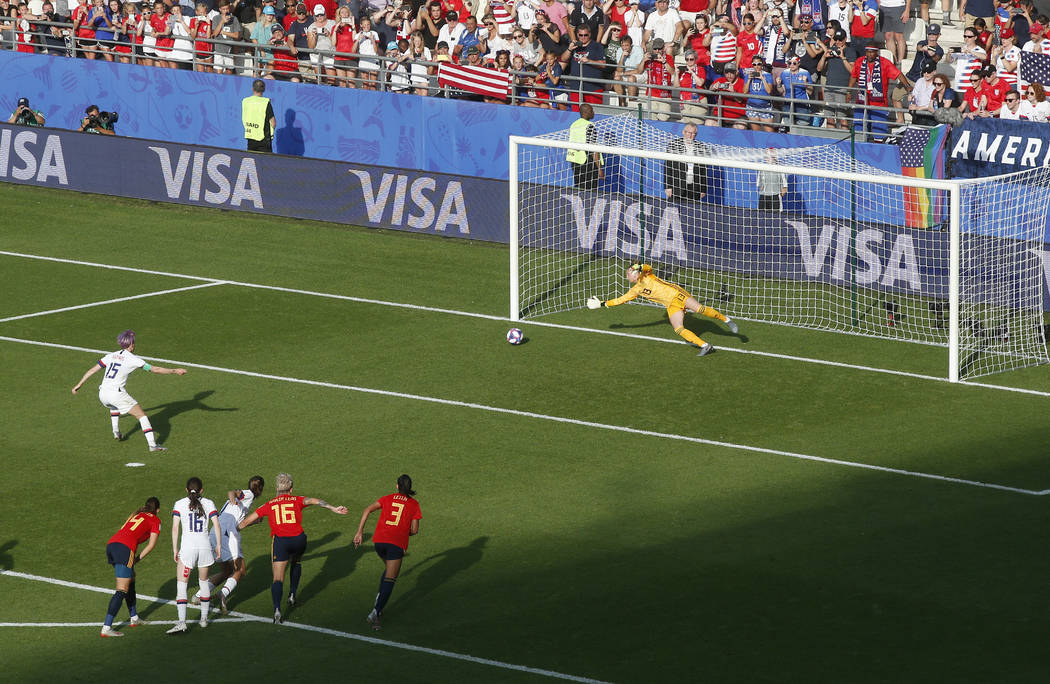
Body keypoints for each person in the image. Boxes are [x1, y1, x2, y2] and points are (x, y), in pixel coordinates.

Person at [237, 472, 348, 624]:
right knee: (296, 562)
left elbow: (244, 522)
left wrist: (233, 529)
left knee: (277, 578)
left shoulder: (269, 505)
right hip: (299, 540)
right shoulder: (297, 499)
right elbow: (316, 501)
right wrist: (333, 508)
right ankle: (292, 595)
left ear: (277, 488)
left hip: (281, 542)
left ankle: (277, 610)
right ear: (291, 489)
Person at [72, 329, 187, 452]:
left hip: (102, 394)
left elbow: (92, 370)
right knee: (142, 416)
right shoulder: (133, 359)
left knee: (114, 406)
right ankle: (153, 445)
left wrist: (79, 385)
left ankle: (116, 432)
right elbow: (155, 369)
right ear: (131, 344)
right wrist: (175, 371)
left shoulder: (110, 356)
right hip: (116, 393)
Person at [588, 263, 739, 355]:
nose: (627, 277)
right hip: (671, 305)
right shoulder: (635, 290)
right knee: (678, 329)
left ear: (635, 274)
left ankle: (727, 320)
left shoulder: (648, 276)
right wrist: (602, 304)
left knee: (699, 309)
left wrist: (638, 266)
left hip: (678, 295)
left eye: (628, 274)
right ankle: (705, 345)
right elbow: (620, 300)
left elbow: (648, 267)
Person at [352, 474, 422, 631]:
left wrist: (359, 532)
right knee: (391, 578)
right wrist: (404, 531)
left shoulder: (387, 498)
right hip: (396, 544)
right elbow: (415, 530)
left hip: (380, 543)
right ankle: (375, 613)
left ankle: (379, 604)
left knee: (388, 570)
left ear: (397, 486)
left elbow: (367, 510)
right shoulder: (414, 504)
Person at [191, 475, 265, 614]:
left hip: (215, 533)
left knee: (226, 571)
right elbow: (233, 492)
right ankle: (223, 594)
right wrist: (233, 498)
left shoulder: (245, 503)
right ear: (260, 489)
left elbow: (238, 525)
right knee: (240, 570)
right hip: (227, 536)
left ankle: (199, 595)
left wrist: (254, 521)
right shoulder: (248, 494)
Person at [100, 496, 162, 637]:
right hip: (124, 548)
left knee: (131, 578)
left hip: (112, 544)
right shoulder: (155, 520)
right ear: (158, 510)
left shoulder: (137, 514)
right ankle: (106, 627)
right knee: (122, 589)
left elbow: (124, 528)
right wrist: (137, 558)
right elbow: (151, 545)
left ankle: (134, 618)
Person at [166, 477, 221, 634]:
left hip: (188, 549)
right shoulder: (209, 503)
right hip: (204, 547)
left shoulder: (180, 503)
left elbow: (175, 528)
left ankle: (182, 622)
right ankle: (204, 619)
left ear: (186, 490)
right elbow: (216, 524)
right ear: (202, 490)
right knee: (203, 583)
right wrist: (218, 545)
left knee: (182, 585)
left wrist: (175, 549)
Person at [664, 122, 707, 202]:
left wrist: (703, 189)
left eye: (693, 133)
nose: (691, 136)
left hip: (694, 187)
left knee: (692, 211)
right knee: (674, 210)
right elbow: (667, 166)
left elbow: (703, 170)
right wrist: (668, 186)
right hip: (677, 186)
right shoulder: (674, 145)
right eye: (689, 133)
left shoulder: (701, 147)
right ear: (683, 132)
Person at [567, 103, 603, 191]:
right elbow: (593, 148)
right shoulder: (589, 126)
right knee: (590, 191)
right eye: (592, 111)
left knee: (579, 188)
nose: (593, 113)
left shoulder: (574, 124)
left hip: (575, 162)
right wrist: (599, 169)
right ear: (587, 112)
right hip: (587, 162)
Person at [242, 78, 276, 152]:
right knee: (265, 162)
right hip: (263, 139)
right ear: (264, 89)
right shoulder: (265, 102)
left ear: (252, 88)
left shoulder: (245, 101)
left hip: (250, 136)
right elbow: (273, 123)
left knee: (252, 161)